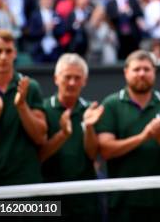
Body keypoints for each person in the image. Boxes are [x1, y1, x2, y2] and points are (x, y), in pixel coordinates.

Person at [96, 50, 160, 222]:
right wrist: (143, 136)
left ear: (154, 72)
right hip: (122, 201)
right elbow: (105, 150)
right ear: (126, 72)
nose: (142, 73)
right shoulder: (111, 104)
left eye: (147, 69)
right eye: (137, 69)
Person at [40, 53, 104, 221]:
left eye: (77, 78)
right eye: (67, 77)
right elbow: (38, 156)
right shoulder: (43, 109)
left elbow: (93, 154)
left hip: (84, 198)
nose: (72, 83)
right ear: (56, 78)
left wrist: (88, 127)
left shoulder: (92, 109)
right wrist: (63, 135)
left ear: (85, 81)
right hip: (48, 196)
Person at [0, 29, 47, 186]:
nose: (3, 57)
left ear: (15, 54)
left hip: (26, 184)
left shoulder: (30, 87)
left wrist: (21, 106)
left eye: (8, 51)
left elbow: (40, 137)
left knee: (50, 211)